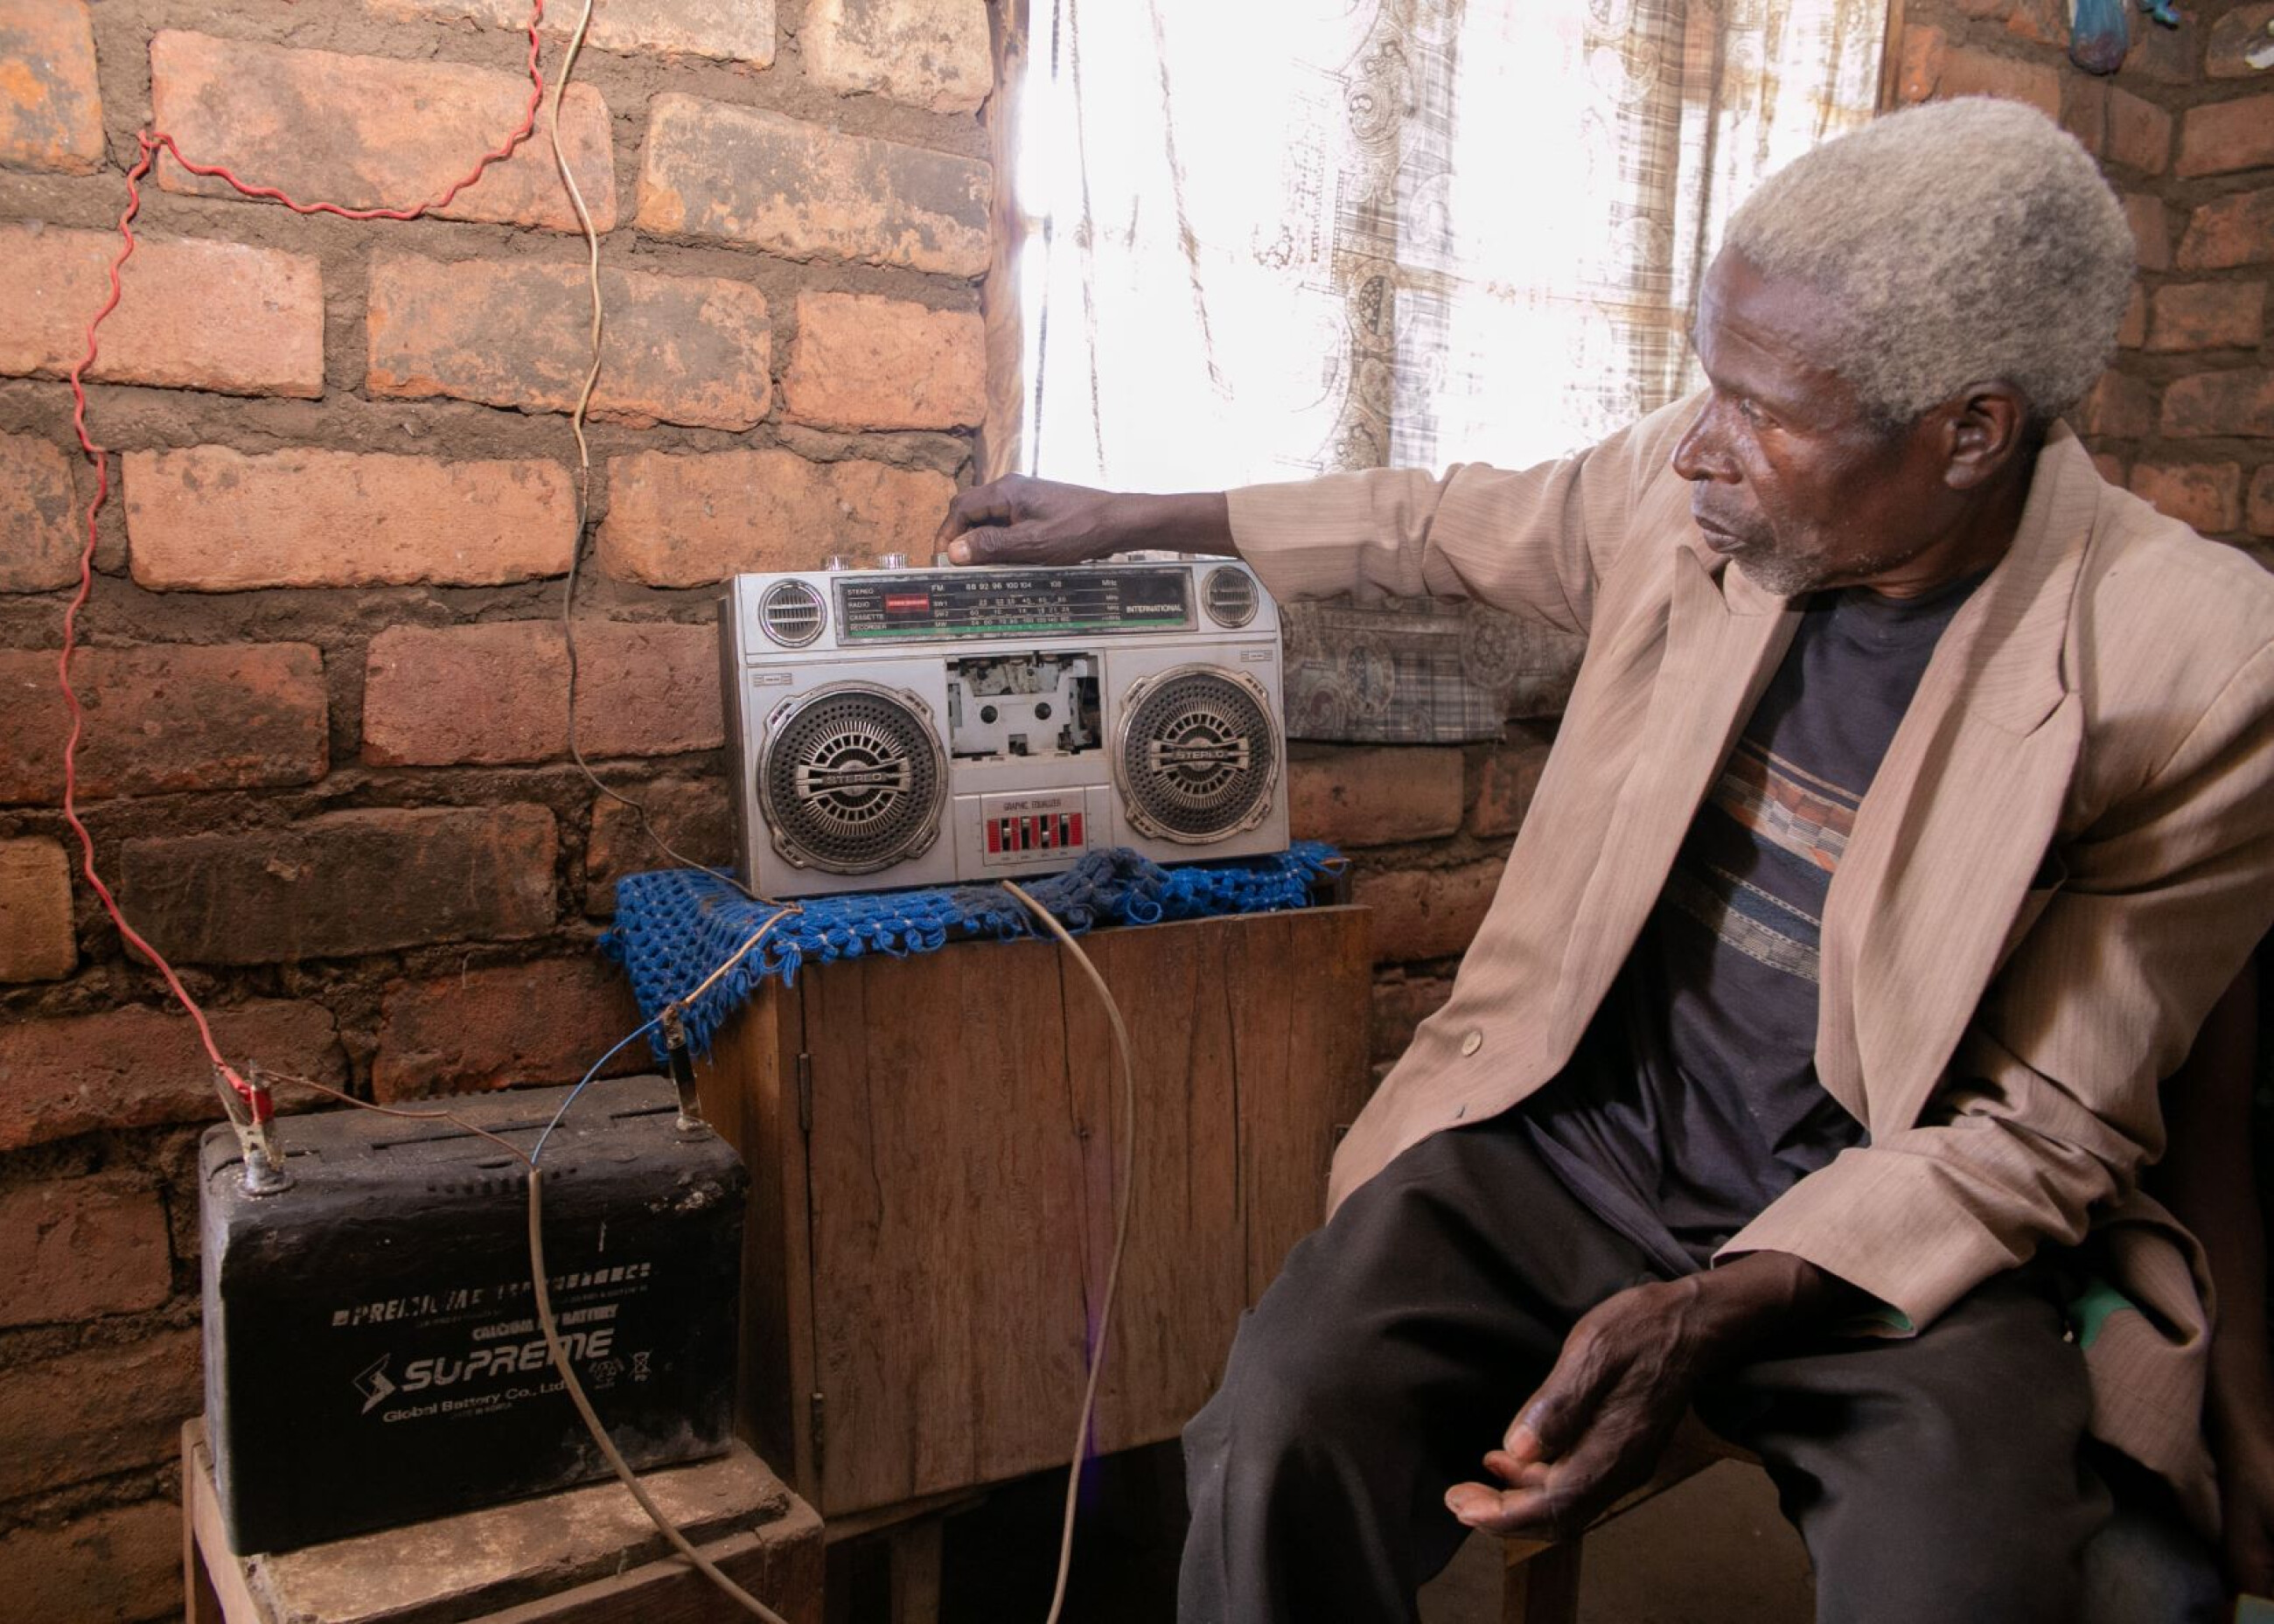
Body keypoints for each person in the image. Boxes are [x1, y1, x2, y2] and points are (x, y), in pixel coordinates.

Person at [938, 97, 2274, 1621]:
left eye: (1762, 408)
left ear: (1969, 432)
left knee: (1962, 1581)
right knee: (1271, 1435)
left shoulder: (2200, 667)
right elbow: (1434, 522)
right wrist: (1131, 517)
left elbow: (2043, 1128)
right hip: (1567, 1141)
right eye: (1706, 382)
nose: (1696, 443)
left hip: (1876, 1224)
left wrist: (1730, 1302)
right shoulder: (1683, 483)